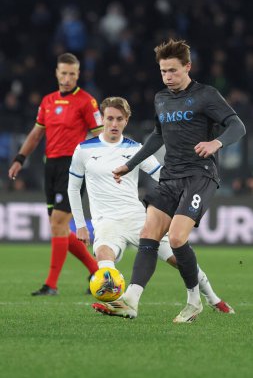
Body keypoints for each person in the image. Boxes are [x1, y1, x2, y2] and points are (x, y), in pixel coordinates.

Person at [100, 39, 246, 323]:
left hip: (200, 174)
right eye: (163, 71)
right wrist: (129, 165)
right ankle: (130, 301)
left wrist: (216, 142)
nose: (167, 77)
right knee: (148, 235)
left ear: (187, 67)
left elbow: (237, 125)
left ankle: (194, 300)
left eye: (173, 71)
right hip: (170, 175)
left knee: (177, 238)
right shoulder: (161, 98)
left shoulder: (207, 95)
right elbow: (157, 136)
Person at [67, 96, 235, 319]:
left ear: (126, 120)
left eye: (119, 119)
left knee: (179, 260)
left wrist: (180, 201)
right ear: (102, 119)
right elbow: (73, 188)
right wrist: (80, 225)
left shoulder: (136, 149)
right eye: (109, 118)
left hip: (138, 218)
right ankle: (120, 301)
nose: (114, 124)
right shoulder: (84, 150)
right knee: (104, 259)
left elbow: (163, 176)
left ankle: (214, 299)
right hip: (106, 222)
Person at [8, 53, 103, 296]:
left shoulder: (86, 101)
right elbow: (36, 134)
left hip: (73, 168)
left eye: (72, 73)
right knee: (58, 226)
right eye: (64, 73)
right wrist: (20, 158)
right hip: (50, 166)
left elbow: (100, 135)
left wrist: (98, 163)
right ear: (57, 73)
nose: (68, 77)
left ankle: (51, 284)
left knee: (58, 224)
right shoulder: (48, 101)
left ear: (78, 74)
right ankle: (96, 271)